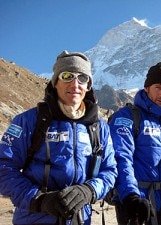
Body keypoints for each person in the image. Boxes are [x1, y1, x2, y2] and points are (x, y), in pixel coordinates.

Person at [0, 50, 118, 225]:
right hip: (34, 218)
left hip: (80, 219)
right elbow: (4, 168)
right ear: (55, 82)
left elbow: (109, 171)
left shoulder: (99, 127)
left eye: (82, 78)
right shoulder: (29, 121)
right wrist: (40, 200)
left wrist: (89, 191)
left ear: (88, 86)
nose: (75, 84)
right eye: (67, 76)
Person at [109, 62, 161, 225]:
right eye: (158, 87)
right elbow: (121, 158)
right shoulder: (127, 117)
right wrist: (131, 196)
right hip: (134, 204)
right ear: (147, 87)